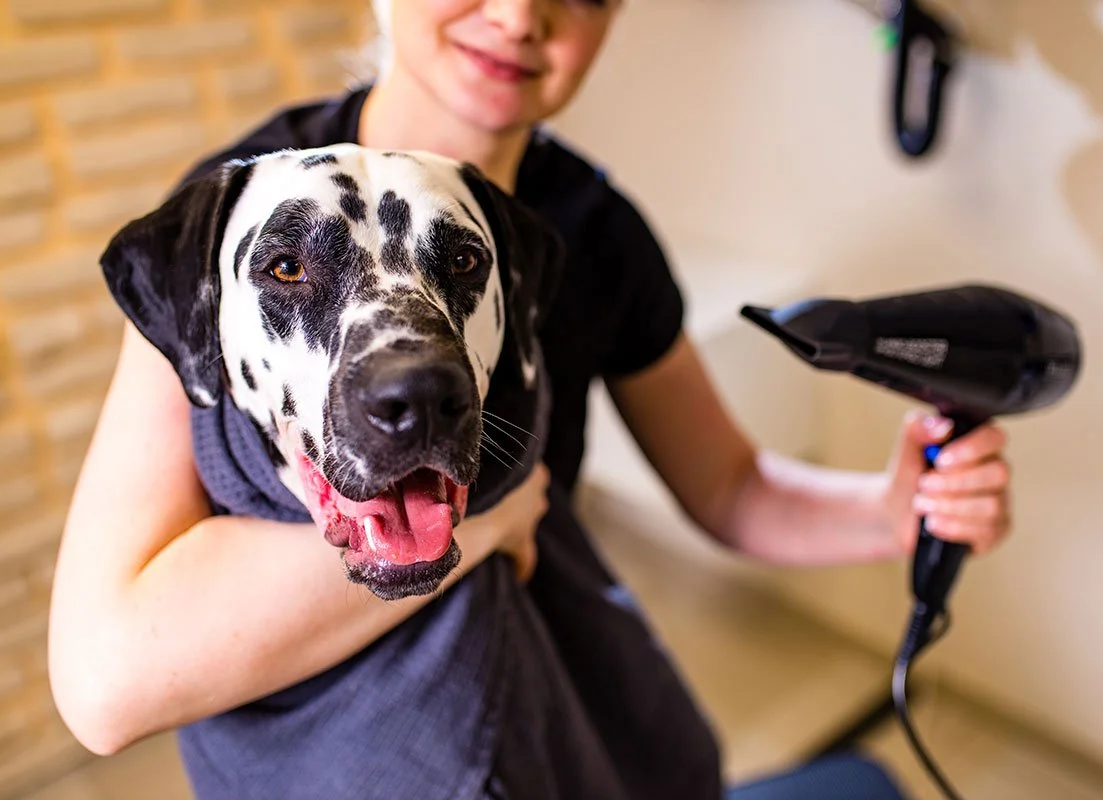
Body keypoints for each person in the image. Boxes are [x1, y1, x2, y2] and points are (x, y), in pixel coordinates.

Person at [48, 1, 1012, 798]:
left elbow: (730, 487)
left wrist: (891, 510)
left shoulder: (594, 231)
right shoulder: (242, 222)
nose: (518, 16)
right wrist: (495, 512)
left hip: (566, 710)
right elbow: (105, 680)